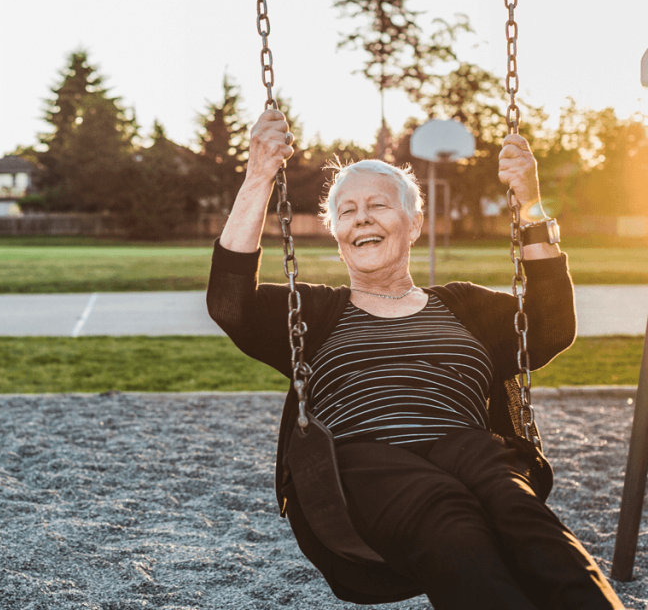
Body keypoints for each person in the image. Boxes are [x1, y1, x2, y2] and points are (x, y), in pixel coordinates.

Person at [206, 109, 623, 609]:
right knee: (450, 520)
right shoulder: (311, 313)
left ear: (415, 222)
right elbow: (230, 302)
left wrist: (530, 202)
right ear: (337, 236)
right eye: (347, 211)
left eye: (378, 205)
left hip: (471, 449)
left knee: (523, 517)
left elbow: (551, 325)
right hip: (363, 462)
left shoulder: (464, 307)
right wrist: (259, 176)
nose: (361, 217)